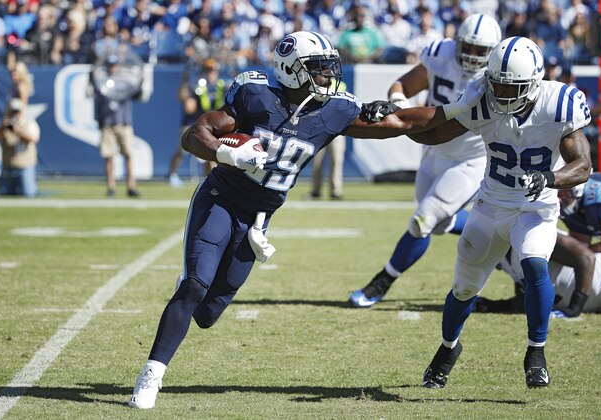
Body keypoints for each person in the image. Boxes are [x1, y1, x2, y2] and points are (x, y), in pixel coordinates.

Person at [127, 30, 486, 409]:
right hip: (220, 200)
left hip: (258, 220)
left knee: (208, 313)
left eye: (329, 69)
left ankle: (193, 285)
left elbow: (406, 126)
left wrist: (463, 109)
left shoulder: (334, 109)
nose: (327, 77)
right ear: (291, 69)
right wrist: (227, 154)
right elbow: (194, 135)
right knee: (195, 287)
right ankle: (151, 375)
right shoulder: (255, 94)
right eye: (318, 69)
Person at [380, 36, 591, 389]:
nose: (504, 94)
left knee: (534, 262)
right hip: (491, 202)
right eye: (498, 85)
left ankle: (535, 353)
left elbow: (582, 165)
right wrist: (398, 120)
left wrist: (550, 177)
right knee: (464, 289)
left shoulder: (560, 103)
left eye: (513, 88)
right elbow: (435, 134)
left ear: (534, 83)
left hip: (535, 205)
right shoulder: (481, 97)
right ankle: (448, 350)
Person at [349, 14, 502, 307]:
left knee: (423, 221)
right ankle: (499, 237)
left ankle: (381, 282)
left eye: (479, 50)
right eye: (467, 47)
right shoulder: (440, 54)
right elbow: (401, 85)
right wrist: (402, 105)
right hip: (433, 154)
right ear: (456, 43)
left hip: (469, 160)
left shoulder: (493, 79)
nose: (471, 55)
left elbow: (438, 131)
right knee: (440, 224)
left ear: (492, 53)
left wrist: (407, 123)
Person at [476, 233, 601, 316]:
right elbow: (526, 300)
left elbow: (585, 259)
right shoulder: (505, 260)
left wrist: (575, 308)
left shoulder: (530, 235)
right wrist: (491, 305)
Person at [167, 58, 225, 187]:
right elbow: (187, 105)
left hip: (211, 125)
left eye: (213, 70)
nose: (211, 73)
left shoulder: (221, 85)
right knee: (181, 150)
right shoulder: (196, 85)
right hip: (193, 122)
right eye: (208, 70)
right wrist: (185, 86)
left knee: (211, 154)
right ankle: (171, 174)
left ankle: (209, 180)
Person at [92, 54, 141, 198]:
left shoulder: (124, 83)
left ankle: (131, 186)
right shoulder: (102, 82)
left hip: (123, 122)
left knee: (128, 155)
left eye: (114, 65)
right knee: (109, 156)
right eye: (110, 65)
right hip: (108, 123)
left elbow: (136, 91)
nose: (112, 68)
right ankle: (111, 187)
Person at [558, 172, 601, 255]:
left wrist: (582, 254)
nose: (559, 199)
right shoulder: (565, 208)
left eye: (562, 193)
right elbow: (579, 246)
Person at [0, 98, 41, 197]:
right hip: (7, 167)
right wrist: (2, 127)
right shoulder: (4, 126)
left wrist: (17, 131)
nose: (15, 114)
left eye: (17, 111)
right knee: (5, 195)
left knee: (28, 194)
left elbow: (33, 139)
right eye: (12, 111)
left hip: (24, 166)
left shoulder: (28, 123)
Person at [308, 79, 348, 200]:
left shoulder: (340, 85)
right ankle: (315, 190)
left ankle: (336, 190)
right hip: (319, 127)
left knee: (336, 159)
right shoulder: (315, 83)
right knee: (316, 161)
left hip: (337, 127)